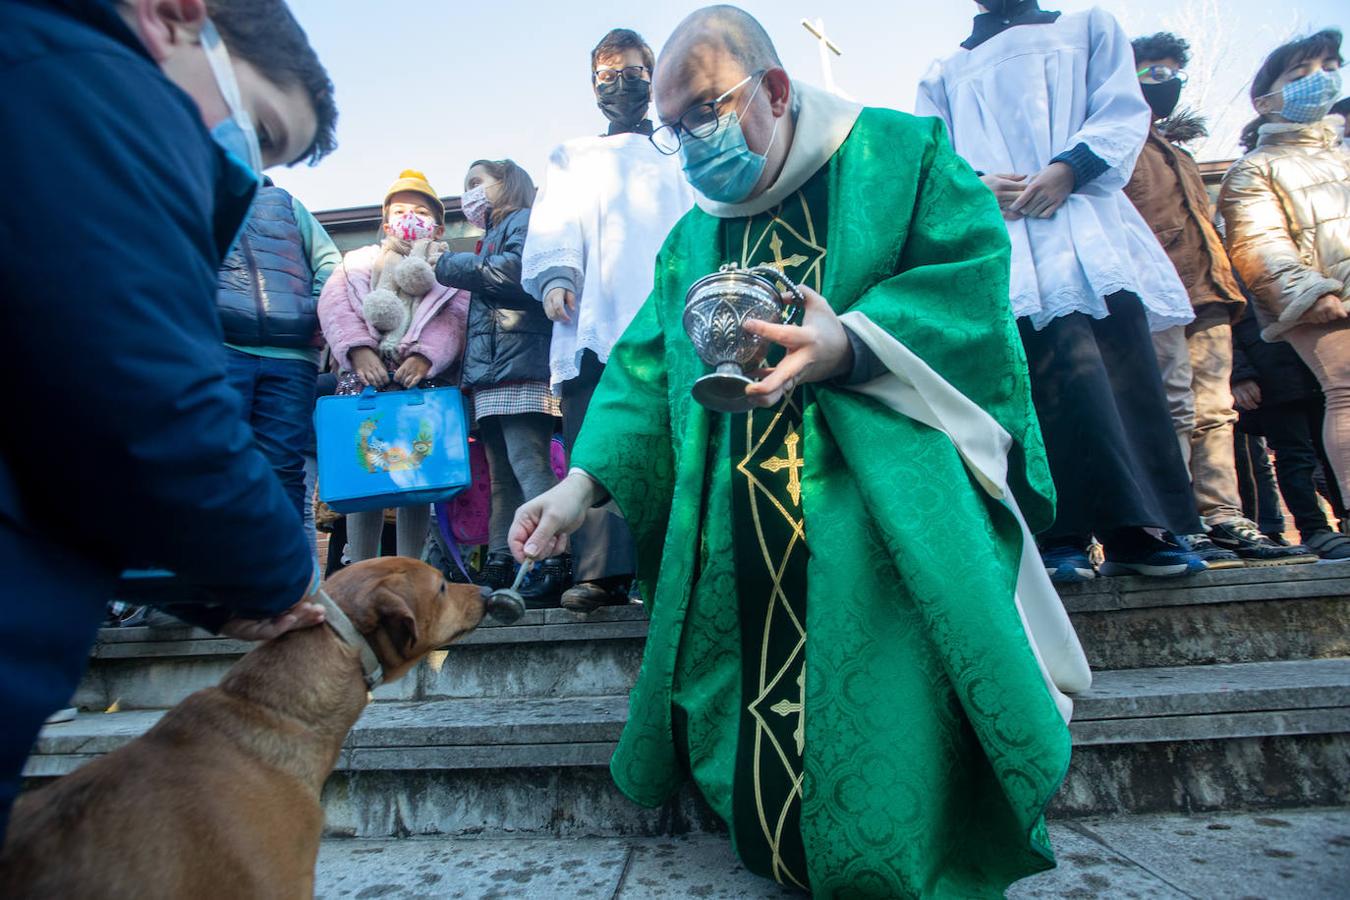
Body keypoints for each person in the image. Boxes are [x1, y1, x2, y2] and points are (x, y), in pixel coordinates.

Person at [510, 6, 1091, 895]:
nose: (690, 142)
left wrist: (853, 344)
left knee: (879, 720)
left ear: (775, 90)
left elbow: (970, 285)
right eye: (673, 129)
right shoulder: (694, 235)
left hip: (876, 498)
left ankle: (895, 855)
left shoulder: (902, 157)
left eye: (704, 111)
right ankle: (775, 836)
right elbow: (640, 371)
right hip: (736, 519)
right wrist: (576, 487)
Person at [0, 0, 338, 839]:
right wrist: (277, 573)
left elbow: (62, 437)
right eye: (258, 130)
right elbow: (147, 400)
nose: (251, 173)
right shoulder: (100, 92)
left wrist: (205, 593)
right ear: (175, 16)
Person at [917, 2, 1206, 583]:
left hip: (1085, 224)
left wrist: (1070, 167)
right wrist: (976, 186)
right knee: (1033, 387)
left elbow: (1122, 109)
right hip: (1005, 241)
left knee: (1118, 376)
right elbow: (934, 160)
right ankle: (1056, 534)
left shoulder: (1088, 28)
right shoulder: (944, 71)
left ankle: (1140, 530)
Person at [1124, 32, 1315, 568]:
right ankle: (1176, 518)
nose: (1164, 82)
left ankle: (1224, 516)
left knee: (1216, 411)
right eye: (1150, 72)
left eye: (1170, 72)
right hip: (1154, 295)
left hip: (1210, 294)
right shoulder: (1112, 148)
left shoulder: (1179, 155)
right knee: (1172, 407)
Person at [521, 28, 694, 613]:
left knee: (680, 437)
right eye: (607, 74)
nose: (621, 82)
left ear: (653, 77)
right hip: (596, 316)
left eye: (634, 71)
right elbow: (555, 221)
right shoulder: (575, 154)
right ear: (593, 86)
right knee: (596, 437)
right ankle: (602, 572)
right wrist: (556, 277)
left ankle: (681, 565)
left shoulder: (681, 146)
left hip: (675, 316)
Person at [1221, 29, 1350, 506]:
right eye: (1301, 73)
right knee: (1345, 392)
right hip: (1325, 302)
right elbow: (1259, 244)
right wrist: (1312, 293)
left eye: (1330, 68)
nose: (1319, 80)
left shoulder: (1343, 156)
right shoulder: (1257, 168)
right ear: (1264, 100)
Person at [317, 169, 469, 563]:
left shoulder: (449, 268)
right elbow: (335, 307)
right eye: (401, 210)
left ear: (437, 225)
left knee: (417, 478)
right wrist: (358, 350)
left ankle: (411, 569)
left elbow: (455, 317)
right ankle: (361, 569)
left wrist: (426, 357)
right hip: (364, 381)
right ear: (386, 221)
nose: (410, 216)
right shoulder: (357, 262)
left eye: (420, 210)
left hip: (420, 383)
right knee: (363, 475)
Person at [437, 160, 568, 606]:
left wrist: (446, 264)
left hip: (522, 366)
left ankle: (551, 558)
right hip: (493, 373)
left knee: (528, 465)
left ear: (506, 182)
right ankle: (501, 562)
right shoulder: (488, 237)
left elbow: (515, 273)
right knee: (500, 478)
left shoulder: (525, 220)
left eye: (477, 181)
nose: (469, 192)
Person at [220, 177, 342, 521]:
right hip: (223, 347)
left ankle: (285, 571)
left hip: (293, 356)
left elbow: (329, 261)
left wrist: (312, 311)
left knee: (284, 469)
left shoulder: (284, 202)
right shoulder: (197, 195)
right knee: (219, 462)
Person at [1232, 302, 1350, 558]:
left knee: (1338, 449)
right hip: (1270, 370)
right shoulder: (1234, 263)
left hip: (1320, 364)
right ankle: (1314, 529)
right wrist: (1239, 374)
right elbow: (1225, 321)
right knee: (1295, 454)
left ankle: (1345, 519)